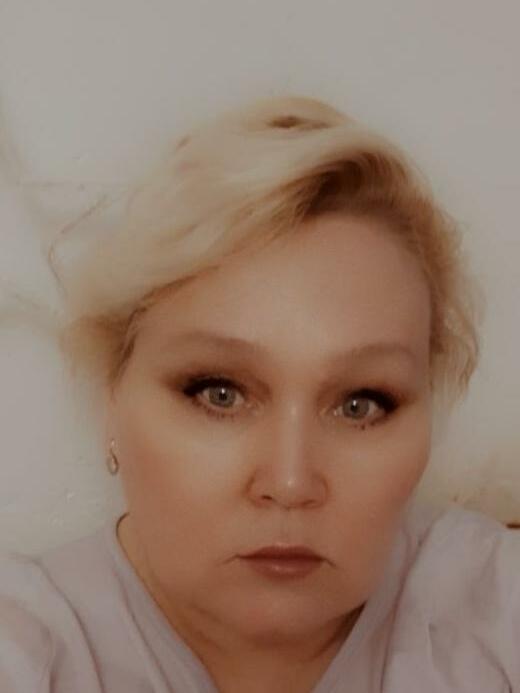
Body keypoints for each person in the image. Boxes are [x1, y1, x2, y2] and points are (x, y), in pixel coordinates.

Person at [0, 94, 518, 693]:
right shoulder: (28, 644)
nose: (290, 482)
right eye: (219, 393)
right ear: (111, 399)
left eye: (361, 404)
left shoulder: (495, 609)